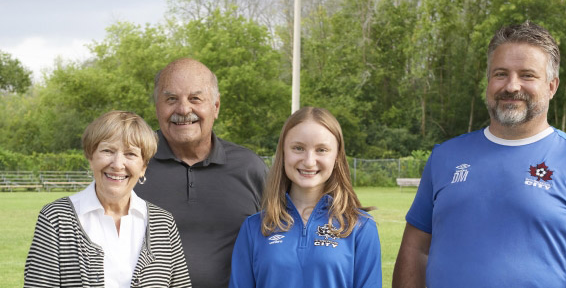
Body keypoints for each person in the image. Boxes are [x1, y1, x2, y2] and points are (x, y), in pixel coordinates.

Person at [393, 21, 566, 287]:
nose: (512, 86)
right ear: (488, 81)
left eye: (527, 75)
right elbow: (415, 250)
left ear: (552, 86)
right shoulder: (445, 157)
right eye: (501, 74)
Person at [134, 58, 267, 288]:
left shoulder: (250, 168)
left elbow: (281, 242)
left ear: (215, 106)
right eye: (171, 99)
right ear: (157, 107)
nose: (184, 109)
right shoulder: (132, 165)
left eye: (195, 98)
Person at [24, 110, 191, 287]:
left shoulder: (163, 223)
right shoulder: (56, 218)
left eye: (131, 154)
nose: (118, 164)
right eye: (107, 150)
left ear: (143, 166)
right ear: (91, 157)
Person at [229, 107, 382, 288]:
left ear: (337, 158)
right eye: (298, 148)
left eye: (322, 150)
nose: (309, 161)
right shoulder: (255, 227)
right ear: (283, 153)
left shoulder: (360, 228)